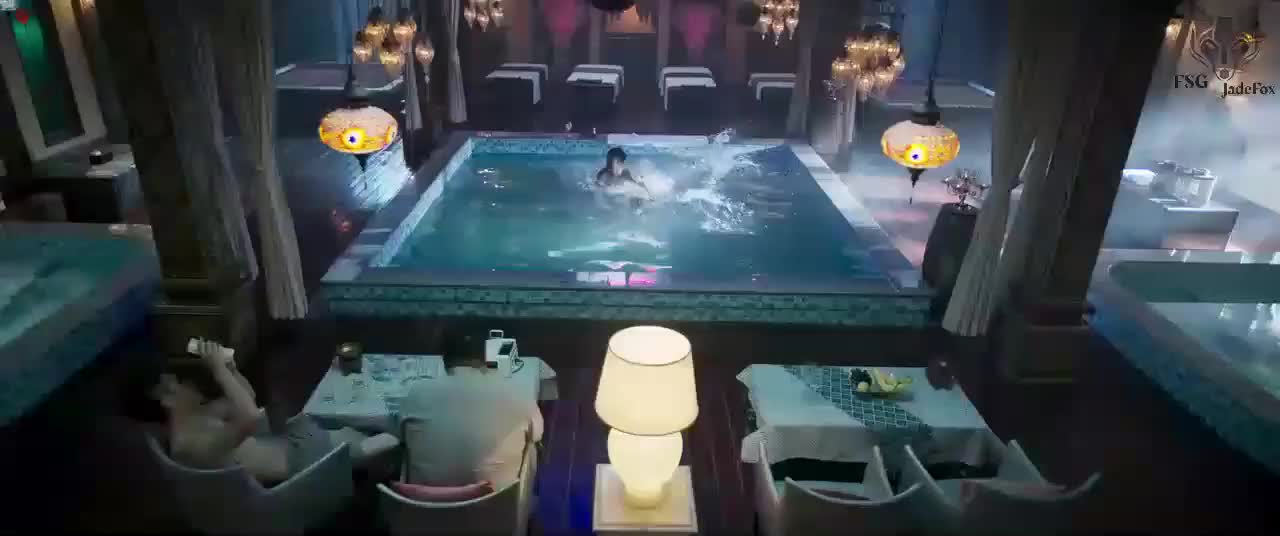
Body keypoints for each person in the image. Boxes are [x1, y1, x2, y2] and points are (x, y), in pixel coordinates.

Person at [126, 339, 397, 484]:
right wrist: (218, 370)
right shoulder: (189, 445)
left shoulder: (196, 419)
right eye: (177, 382)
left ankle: (373, 463)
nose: (187, 384)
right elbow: (250, 417)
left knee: (359, 426)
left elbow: (248, 399)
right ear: (165, 397)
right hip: (303, 464)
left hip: (291, 442)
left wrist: (230, 368)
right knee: (389, 435)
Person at [397, 333, 543, 490]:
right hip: (498, 502)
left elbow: (399, 434)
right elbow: (537, 433)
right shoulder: (517, 393)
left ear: (444, 360)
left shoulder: (416, 394)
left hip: (423, 501)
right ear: (487, 359)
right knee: (532, 446)